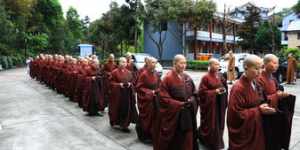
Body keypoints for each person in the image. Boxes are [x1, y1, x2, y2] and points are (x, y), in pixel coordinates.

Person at [227, 54, 276, 150]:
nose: (259, 72)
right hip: (245, 134)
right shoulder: (238, 88)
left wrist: (264, 105)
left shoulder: (254, 82)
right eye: (256, 68)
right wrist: (258, 110)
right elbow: (235, 115)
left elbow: (259, 100)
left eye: (261, 68)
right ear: (246, 68)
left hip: (255, 128)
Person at [156, 54, 198, 150]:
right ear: (174, 63)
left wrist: (192, 101)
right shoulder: (167, 78)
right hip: (175, 116)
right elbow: (163, 98)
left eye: (185, 63)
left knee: (187, 137)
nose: (184, 65)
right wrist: (179, 105)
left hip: (187, 113)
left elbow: (195, 93)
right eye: (181, 63)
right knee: (176, 139)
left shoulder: (187, 77)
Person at [257, 54, 295, 150]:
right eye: (274, 63)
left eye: (277, 63)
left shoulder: (272, 77)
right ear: (265, 64)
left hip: (275, 112)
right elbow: (260, 99)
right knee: (268, 140)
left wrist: (279, 93)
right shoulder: (259, 79)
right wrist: (276, 96)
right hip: (265, 116)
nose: (277, 65)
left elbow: (277, 89)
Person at [198, 58, 227, 150]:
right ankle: (208, 142)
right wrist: (214, 92)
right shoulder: (205, 77)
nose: (218, 66)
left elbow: (224, 86)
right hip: (210, 106)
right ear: (210, 65)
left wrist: (223, 91)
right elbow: (201, 93)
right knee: (211, 124)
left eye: (218, 65)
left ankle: (218, 142)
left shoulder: (220, 76)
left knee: (219, 123)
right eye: (215, 64)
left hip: (219, 104)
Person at [135, 57, 160, 143]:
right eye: (152, 62)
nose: (154, 64)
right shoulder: (144, 74)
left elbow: (159, 84)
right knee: (146, 117)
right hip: (146, 100)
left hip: (154, 99)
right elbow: (139, 87)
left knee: (154, 117)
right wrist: (150, 92)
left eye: (155, 63)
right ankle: (143, 136)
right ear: (148, 63)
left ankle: (151, 134)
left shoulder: (156, 73)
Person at [109, 57, 138, 132]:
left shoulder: (129, 72)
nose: (124, 63)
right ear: (119, 63)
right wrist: (118, 85)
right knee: (118, 109)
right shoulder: (114, 72)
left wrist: (130, 84)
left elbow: (133, 82)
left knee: (126, 109)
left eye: (125, 62)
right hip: (118, 95)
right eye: (122, 62)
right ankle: (116, 121)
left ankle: (125, 125)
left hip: (127, 94)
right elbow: (110, 83)